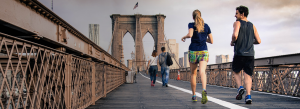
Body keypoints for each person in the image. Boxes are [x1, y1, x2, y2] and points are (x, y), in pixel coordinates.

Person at [230, 6, 261, 104]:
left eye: (236, 13)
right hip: (250, 54)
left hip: (239, 53)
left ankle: (240, 88)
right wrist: (250, 42)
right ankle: (248, 96)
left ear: (242, 14)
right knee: (248, 76)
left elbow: (235, 35)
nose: (235, 15)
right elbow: (259, 41)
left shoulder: (237, 23)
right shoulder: (252, 26)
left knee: (236, 71)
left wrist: (232, 42)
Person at [181, 9, 213, 103]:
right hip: (203, 51)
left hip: (193, 51)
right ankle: (204, 90)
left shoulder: (191, 24)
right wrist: (204, 39)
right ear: (200, 16)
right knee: (202, 72)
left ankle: (194, 95)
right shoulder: (206, 26)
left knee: (193, 74)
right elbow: (211, 41)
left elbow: (190, 35)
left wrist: (184, 37)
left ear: (193, 17)